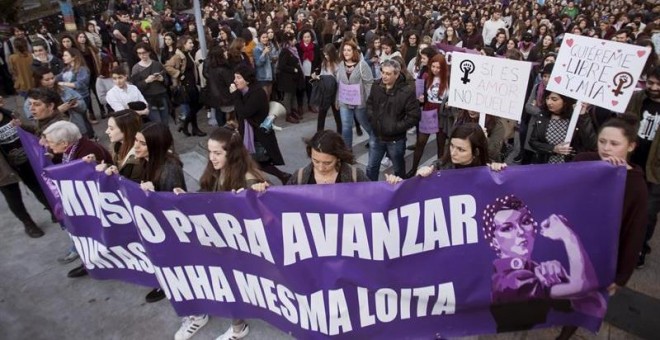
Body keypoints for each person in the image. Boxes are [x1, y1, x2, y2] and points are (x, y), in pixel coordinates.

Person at [172, 125, 268, 340]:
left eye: (217, 153)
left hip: (238, 247)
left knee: (231, 283)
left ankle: (238, 327)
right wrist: (185, 197)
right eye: (209, 152)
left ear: (231, 153)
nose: (212, 158)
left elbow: (264, 217)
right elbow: (206, 195)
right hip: (217, 240)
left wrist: (255, 197)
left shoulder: (249, 178)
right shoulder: (217, 171)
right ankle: (201, 313)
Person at [559, 115, 648, 339]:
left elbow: (633, 233)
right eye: (602, 141)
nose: (606, 149)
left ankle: (566, 334)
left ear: (631, 146)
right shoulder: (584, 160)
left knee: (583, 301)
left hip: (599, 254)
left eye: (615, 144)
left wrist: (621, 276)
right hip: (569, 242)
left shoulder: (636, 185)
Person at [482, 194, 605, 333]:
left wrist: (564, 278)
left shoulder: (534, 268)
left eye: (525, 222)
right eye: (507, 228)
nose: (521, 232)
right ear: (494, 241)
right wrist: (568, 236)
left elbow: (596, 307)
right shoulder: (509, 281)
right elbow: (583, 287)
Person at [40, 121, 112, 278]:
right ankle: (92, 262)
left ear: (64, 143)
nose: (48, 146)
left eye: (51, 143)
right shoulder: (76, 148)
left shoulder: (89, 151)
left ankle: (98, 263)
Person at [134, 122, 185, 303]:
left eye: (142, 143)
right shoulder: (148, 161)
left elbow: (171, 205)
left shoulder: (169, 169)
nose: (136, 146)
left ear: (155, 146)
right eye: (136, 140)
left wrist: (152, 194)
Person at [0, 96, 51, 237]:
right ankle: (28, 223)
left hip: (24, 159)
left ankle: (53, 209)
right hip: (3, 169)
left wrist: (21, 125)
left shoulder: (8, 113)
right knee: (13, 196)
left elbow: (29, 130)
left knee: (38, 185)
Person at [231, 64, 291, 184]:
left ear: (247, 80)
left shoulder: (257, 93)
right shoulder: (244, 91)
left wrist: (235, 94)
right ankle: (280, 177)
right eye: (235, 77)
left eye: (238, 77)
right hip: (249, 134)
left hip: (258, 135)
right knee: (254, 162)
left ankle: (276, 179)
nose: (235, 81)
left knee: (258, 162)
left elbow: (244, 112)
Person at [627, 66, 660, 268]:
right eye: (650, 83)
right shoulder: (639, 98)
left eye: (658, 84)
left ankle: (640, 248)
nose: (654, 88)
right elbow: (626, 120)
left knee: (648, 212)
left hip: (655, 171)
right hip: (632, 161)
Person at [365, 59, 419, 181]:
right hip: (376, 135)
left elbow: (414, 116)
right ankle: (368, 190)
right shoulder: (376, 85)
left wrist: (395, 127)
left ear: (397, 74)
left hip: (395, 140)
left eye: (388, 74)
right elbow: (369, 104)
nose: (384, 76)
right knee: (371, 167)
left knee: (398, 169)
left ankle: (400, 193)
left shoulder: (406, 92)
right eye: (383, 72)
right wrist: (373, 119)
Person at [408, 54, 449, 178]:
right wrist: (420, 97)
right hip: (428, 111)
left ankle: (439, 171)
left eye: (438, 67)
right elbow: (421, 94)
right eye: (433, 66)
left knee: (440, 144)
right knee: (421, 142)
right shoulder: (426, 77)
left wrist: (449, 103)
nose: (435, 69)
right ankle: (413, 168)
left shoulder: (449, 79)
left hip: (441, 113)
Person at [528, 92, 597, 164]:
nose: (549, 102)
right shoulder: (543, 116)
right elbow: (533, 142)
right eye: (547, 98)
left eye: (554, 99)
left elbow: (591, 144)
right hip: (546, 164)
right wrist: (553, 149)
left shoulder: (576, 118)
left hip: (570, 165)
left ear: (565, 101)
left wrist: (582, 116)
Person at [288, 130, 369, 184]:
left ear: (338, 158)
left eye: (327, 163)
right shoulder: (299, 177)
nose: (321, 168)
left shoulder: (355, 176)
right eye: (316, 161)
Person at [165, 35, 205, 137]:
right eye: (190, 43)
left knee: (195, 106)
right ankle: (189, 126)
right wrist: (179, 74)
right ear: (184, 44)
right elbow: (167, 66)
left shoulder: (187, 54)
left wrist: (196, 63)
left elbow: (187, 67)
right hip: (186, 86)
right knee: (196, 106)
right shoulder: (178, 56)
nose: (192, 44)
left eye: (192, 43)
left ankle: (189, 127)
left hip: (192, 84)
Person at [336, 40, 373, 148]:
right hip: (344, 101)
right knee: (346, 127)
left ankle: (376, 142)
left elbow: (369, 83)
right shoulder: (341, 65)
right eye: (344, 50)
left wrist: (369, 100)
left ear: (354, 52)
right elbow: (340, 83)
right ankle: (348, 152)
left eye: (349, 50)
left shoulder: (362, 65)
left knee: (365, 124)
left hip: (359, 102)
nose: (346, 52)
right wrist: (337, 99)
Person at [96, 109, 143, 181]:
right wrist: (107, 166)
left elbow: (136, 185)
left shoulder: (141, 156)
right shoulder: (115, 146)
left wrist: (117, 176)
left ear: (127, 130)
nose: (106, 131)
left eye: (111, 128)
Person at [56, 48, 98, 128]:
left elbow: (80, 84)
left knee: (83, 119)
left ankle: (91, 136)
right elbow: (57, 77)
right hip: (70, 97)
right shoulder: (66, 69)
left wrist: (63, 83)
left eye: (65, 55)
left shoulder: (82, 69)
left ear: (74, 57)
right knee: (77, 119)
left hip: (81, 96)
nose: (63, 57)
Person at [131, 42, 169, 123]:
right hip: (148, 99)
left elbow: (167, 81)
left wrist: (162, 79)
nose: (142, 55)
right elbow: (135, 87)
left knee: (165, 122)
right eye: (139, 53)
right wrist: (146, 81)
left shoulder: (157, 64)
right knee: (157, 122)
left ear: (149, 52)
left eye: (144, 53)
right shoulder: (136, 68)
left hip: (161, 96)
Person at [311, 43, 340, 133]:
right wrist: (316, 77)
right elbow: (323, 76)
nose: (326, 56)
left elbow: (339, 82)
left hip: (334, 92)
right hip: (325, 92)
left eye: (327, 54)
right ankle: (319, 134)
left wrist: (337, 99)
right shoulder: (324, 62)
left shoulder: (337, 65)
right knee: (321, 115)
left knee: (337, 116)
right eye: (324, 54)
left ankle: (340, 134)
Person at [203, 45, 234, 128]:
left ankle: (222, 130)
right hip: (226, 97)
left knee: (219, 115)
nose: (226, 53)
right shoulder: (224, 69)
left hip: (216, 96)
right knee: (228, 116)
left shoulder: (212, 68)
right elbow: (230, 83)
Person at [277, 32, 305, 124]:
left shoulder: (294, 50)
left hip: (293, 79)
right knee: (288, 97)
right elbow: (282, 65)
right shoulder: (285, 51)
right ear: (289, 41)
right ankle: (288, 114)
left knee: (293, 95)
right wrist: (294, 69)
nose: (295, 41)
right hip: (287, 79)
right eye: (293, 39)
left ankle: (293, 111)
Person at [296, 29, 322, 114]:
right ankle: (300, 106)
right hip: (301, 72)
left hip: (311, 72)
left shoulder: (315, 47)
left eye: (308, 37)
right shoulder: (298, 47)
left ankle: (311, 105)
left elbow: (319, 61)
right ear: (302, 38)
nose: (307, 39)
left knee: (310, 89)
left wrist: (316, 71)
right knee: (300, 90)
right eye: (305, 37)